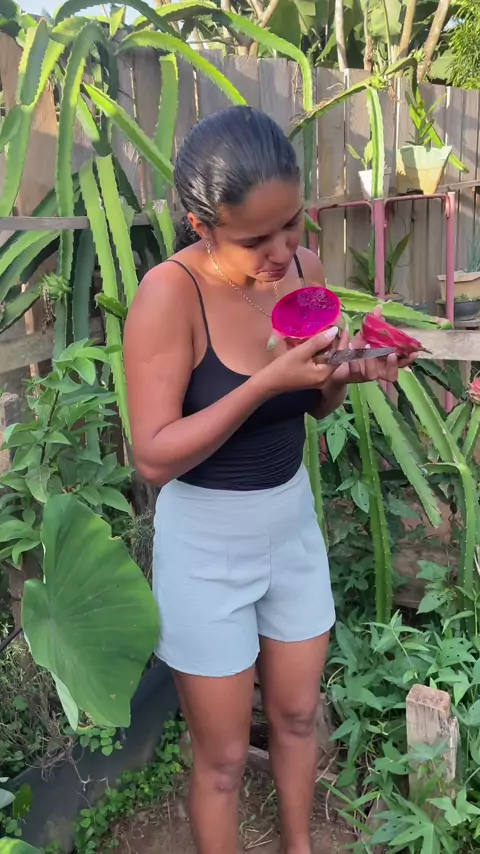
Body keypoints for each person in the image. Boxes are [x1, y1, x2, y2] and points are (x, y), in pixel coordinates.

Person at [124, 105, 412, 854]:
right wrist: (261, 384)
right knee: (222, 760)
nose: (284, 251)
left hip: (290, 525)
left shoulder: (305, 272)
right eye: (257, 239)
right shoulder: (169, 295)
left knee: (296, 716)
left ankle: (299, 846)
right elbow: (153, 456)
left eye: (292, 224)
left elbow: (312, 405)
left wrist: (347, 374)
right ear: (201, 225)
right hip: (205, 544)